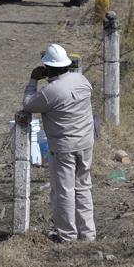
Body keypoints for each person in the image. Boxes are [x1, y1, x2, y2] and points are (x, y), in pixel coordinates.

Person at [21, 44, 96, 243]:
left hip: (64, 148)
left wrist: (33, 79)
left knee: (64, 191)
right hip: (86, 143)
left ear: (48, 68)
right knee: (83, 187)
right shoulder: (81, 79)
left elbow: (28, 104)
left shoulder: (51, 91)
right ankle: (88, 234)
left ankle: (67, 236)